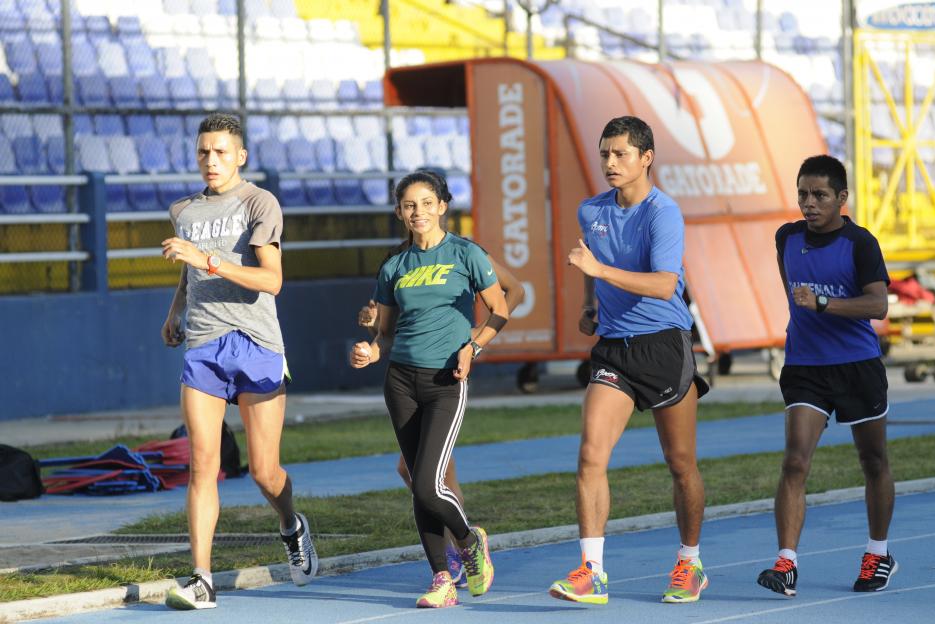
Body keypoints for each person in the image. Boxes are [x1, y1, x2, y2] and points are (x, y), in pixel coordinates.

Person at [548, 116, 710, 606]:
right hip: (614, 349)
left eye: (620, 154)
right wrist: (589, 301)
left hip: (663, 344)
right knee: (590, 454)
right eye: (604, 154)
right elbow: (587, 257)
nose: (610, 163)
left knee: (680, 464)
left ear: (646, 157)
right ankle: (592, 570)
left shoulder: (664, 213)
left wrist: (600, 271)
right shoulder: (590, 210)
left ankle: (690, 561)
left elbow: (665, 284)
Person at [160, 113, 316, 610]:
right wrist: (175, 310)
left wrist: (205, 259)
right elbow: (189, 272)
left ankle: (291, 524)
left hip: (256, 341)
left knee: (264, 472)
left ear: (241, 155)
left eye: (222, 151)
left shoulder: (258, 202)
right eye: (204, 151)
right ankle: (201, 578)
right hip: (204, 344)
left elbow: (271, 280)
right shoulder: (183, 210)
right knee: (202, 465)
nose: (212, 160)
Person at [349, 170, 509, 608]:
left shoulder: (466, 254)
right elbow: (382, 332)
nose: (417, 212)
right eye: (408, 205)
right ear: (400, 212)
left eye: (426, 203)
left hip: (446, 380)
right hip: (400, 381)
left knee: (425, 484)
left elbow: (500, 310)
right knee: (421, 483)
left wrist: (472, 347)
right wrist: (369, 350)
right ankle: (442, 577)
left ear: (442, 206)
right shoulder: (394, 265)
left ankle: (469, 542)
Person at [757, 155, 895, 597]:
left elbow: (877, 306)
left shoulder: (860, 243)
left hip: (857, 365)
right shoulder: (787, 238)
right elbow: (791, 290)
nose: (809, 203)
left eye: (819, 195)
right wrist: (805, 316)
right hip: (805, 366)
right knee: (795, 460)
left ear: (841, 198)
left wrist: (822, 304)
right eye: (802, 194)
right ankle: (786, 563)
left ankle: (878, 552)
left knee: (872, 461)